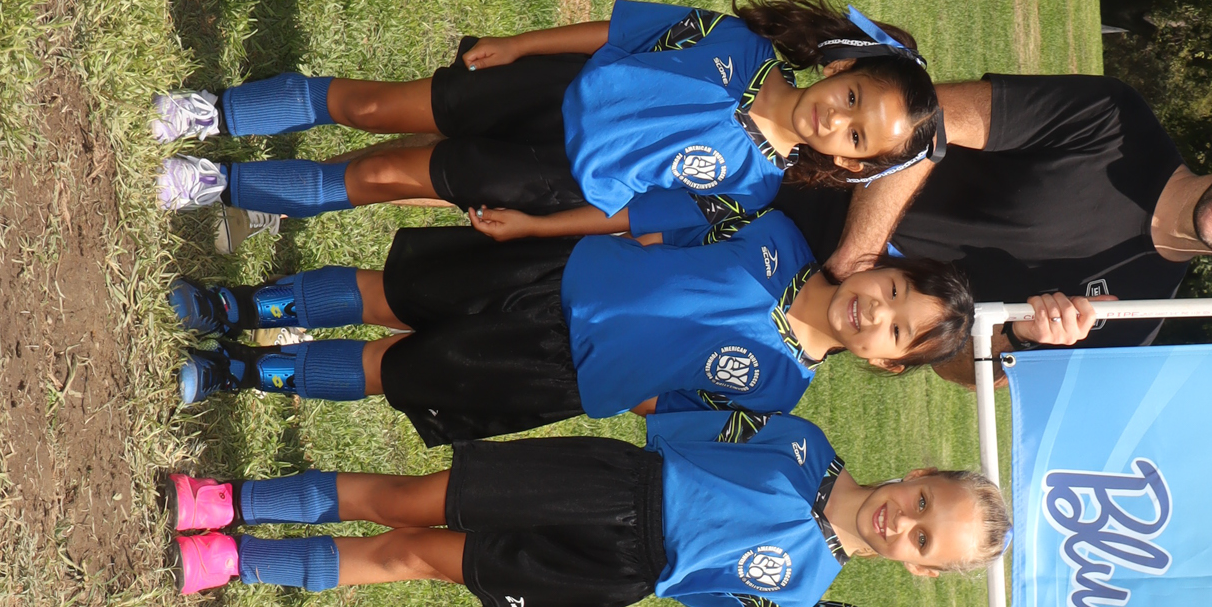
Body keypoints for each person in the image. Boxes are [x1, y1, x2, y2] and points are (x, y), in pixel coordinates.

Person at [150, 0, 943, 235]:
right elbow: (617, 34)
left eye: (856, 137)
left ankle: (215, 185)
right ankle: (210, 111)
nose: (836, 121)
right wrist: (519, 44)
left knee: (382, 175)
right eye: (852, 99)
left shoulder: (752, 190)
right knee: (370, 104)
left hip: (550, 178)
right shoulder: (734, 41)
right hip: (545, 89)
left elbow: (630, 216)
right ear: (840, 68)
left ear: (850, 164)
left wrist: (538, 228)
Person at [168, 213, 974, 439]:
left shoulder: (778, 393)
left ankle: (239, 373)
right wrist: (538, 228)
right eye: (894, 289)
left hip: (557, 371)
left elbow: (666, 412)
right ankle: (237, 308)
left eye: (897, 332)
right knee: (393, 296)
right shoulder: (775, 234)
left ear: (886, 363)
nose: (879, 311)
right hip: (559, 273)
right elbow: (649, 222)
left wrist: (610, 375)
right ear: (881, 263)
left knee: (395, 370)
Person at [773, 72, 1212, 375]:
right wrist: (854, 257)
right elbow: (926, 117)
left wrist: (1020, 338)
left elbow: (954, 368)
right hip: (786, 177)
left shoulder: (1134, 324)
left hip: (785, 307)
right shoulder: (1115, 122)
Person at [165, 408, 1007, 607]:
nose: (902, 520)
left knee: (416, 556)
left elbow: (691, 593)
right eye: (922, 502)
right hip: (607, 483)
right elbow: (679, 431)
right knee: (408, 498)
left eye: (922, 538)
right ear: (919, 473)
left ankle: (235, 562)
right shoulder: (802, 442)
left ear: (922, 569)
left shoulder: (801, 592)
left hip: (613, 567)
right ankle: (224, 501)